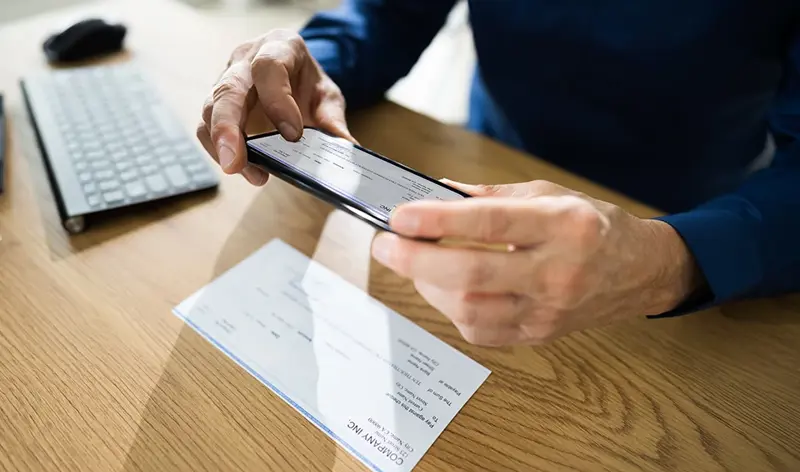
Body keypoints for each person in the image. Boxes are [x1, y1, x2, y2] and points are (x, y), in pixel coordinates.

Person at [197, 1, 800, 346]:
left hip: (690, 219)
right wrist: (311, 62)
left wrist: (671, 262)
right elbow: (389, 12)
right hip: (480, 173)